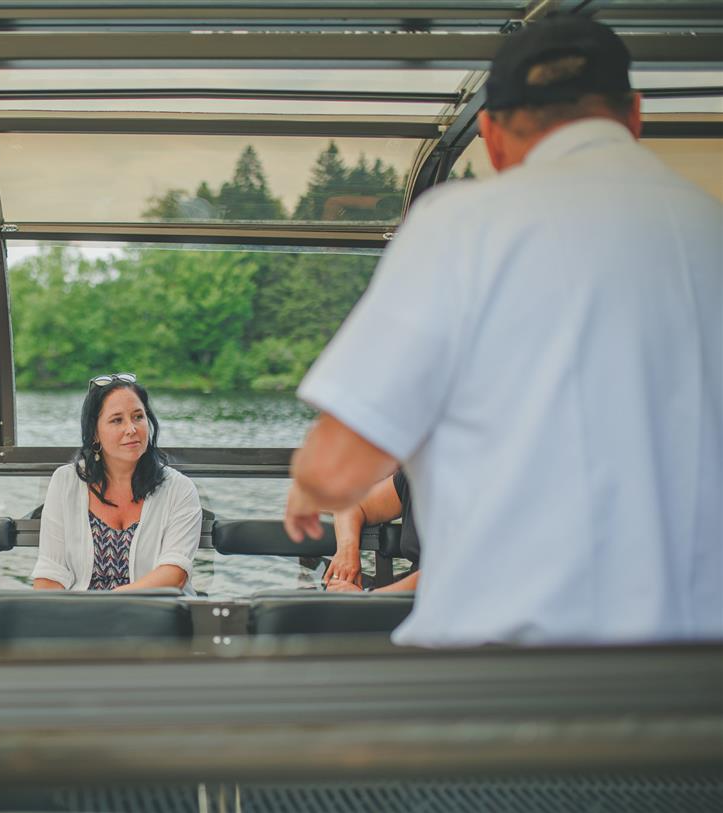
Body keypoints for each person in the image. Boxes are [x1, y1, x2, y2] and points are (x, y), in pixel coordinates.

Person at [284, 15, 722, 646]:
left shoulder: (459, 228)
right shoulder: (712, 230)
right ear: (632, 115)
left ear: (490, 136)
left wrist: (308, 485)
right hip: (700, 683)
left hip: (510, 674)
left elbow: (337, 467)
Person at [32, 373, 203, 595]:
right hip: (81, 619)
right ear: (95, 433)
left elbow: (174, 573)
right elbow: (50, 573)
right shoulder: (65, 483)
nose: (131, 429)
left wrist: (110, 606)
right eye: (117, 420)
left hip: (156, 614)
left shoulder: (179, 488)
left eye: (138, 417)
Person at [324, 471, 421, 594]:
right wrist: (347, 549)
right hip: (406, 601)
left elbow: (445, 573)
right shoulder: (413, 479)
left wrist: (367, 597)